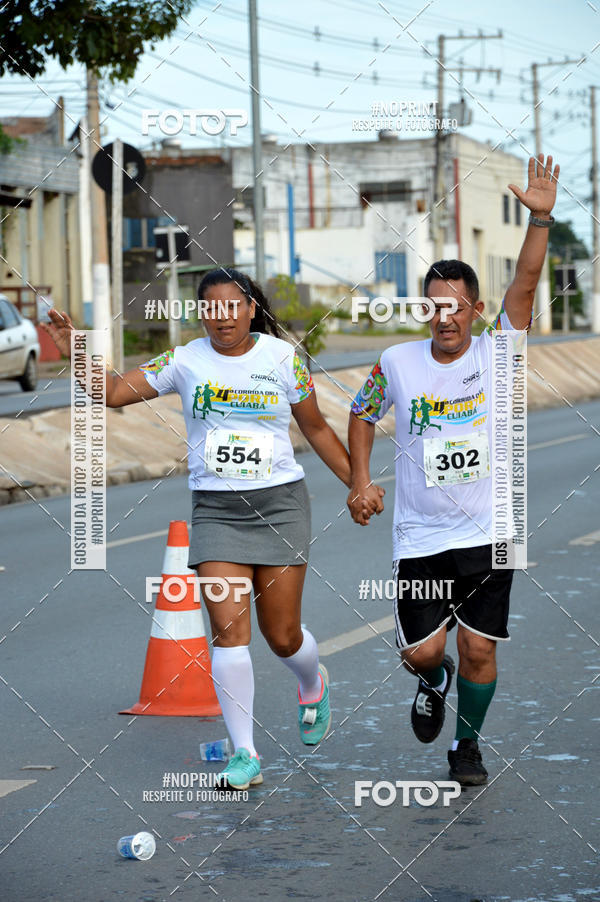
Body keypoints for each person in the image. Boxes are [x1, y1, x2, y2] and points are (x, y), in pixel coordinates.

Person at [44, 267, 382, 791]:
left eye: (232, 306)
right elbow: (112, 392)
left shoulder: (283, 358)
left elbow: (315, 427)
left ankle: (312, 682)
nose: (222, 318)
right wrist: (77, 349)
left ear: (250, 309)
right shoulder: (184, 361)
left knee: (283, 636)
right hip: (217, 510)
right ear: (201, 312)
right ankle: (245, 753)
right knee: (228, 632)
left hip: (280, 506)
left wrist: (358, 483)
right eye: (211, 308)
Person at [347, 154, 559, 785]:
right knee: (423, 652)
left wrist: (540, 220)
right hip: (420, 535)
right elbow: (361, 412)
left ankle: (467, 747)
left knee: (479, 648)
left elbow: (526, 282)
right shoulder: (398, 361)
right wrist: (360, 478)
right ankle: (433, 680)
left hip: (491, 530)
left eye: (457, 307)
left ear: (476, 309)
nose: (445, 317)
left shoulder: (499, 352)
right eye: (435, 306)